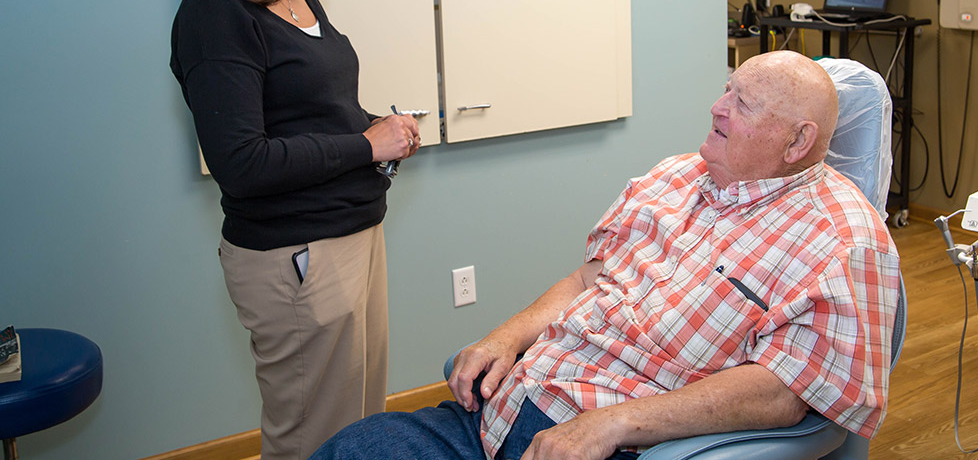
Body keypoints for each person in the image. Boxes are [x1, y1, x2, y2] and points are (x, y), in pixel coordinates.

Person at [308, 51, 900, 460]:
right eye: (726, 89)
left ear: (797, 141)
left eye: (743, 105)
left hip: (615, 446)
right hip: (499, 414)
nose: (716, 108)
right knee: (348, 449)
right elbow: (589, 278)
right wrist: (505, 338)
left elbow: (786, 392)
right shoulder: (675, 177)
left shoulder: (843, 241)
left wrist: (611, 425)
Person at [169, 0, 420, 458]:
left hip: (354, 234)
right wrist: (365, 145)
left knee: (360, 428)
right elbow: (242, 162)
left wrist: (379, 130)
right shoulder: (215, 14)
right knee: (314, 437)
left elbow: (313, 113)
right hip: (295, 256)